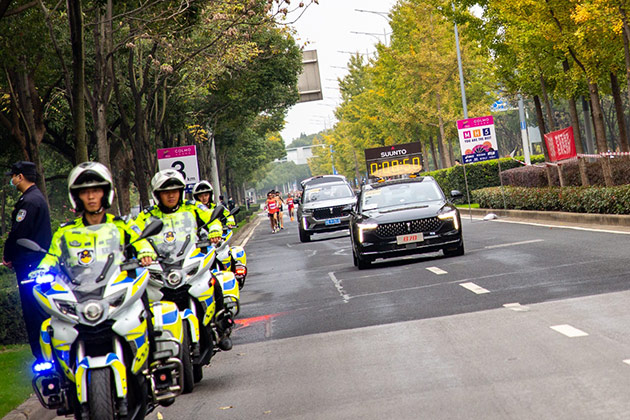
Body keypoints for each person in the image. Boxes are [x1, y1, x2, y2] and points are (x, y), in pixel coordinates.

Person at [136, 170, 233, 351]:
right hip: (160, 268)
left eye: (175, 190)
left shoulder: (193, 207)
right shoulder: (146, 216)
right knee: (140, 299)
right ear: (157, 195)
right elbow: (136, 236)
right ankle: (150, 343)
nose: (171, 195)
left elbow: (212, 219)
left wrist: (215, 231)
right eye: (166, 192)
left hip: (188, 262)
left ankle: (222, 327)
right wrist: (144, 252)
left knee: (214, 282)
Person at [2, 161, 52, 359]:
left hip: (30, 265)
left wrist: (9, 256)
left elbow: (18, 233)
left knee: (33, 314)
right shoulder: (34, 198)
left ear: (20, 177)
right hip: (34, 263)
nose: (12, 180)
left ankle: (42, 357)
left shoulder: (29, 202)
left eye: (13, 176)